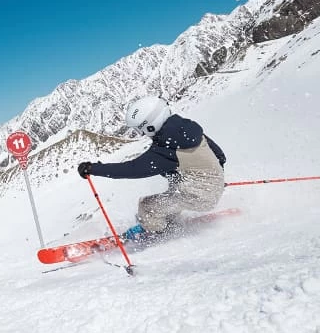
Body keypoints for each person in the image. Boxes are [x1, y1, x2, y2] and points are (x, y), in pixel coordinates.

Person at [77, 95, 226, 241]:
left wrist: (94, 169)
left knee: (147, 206)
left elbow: (132, 169)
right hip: (209, 186)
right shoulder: (186, 128)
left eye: (140, 130)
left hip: (201, 196)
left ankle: (159, 231)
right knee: (171, 178)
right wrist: (213, 180)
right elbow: (219, 155)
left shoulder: (167, 148)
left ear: (150, 125)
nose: (142, 134)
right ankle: (168, 218)